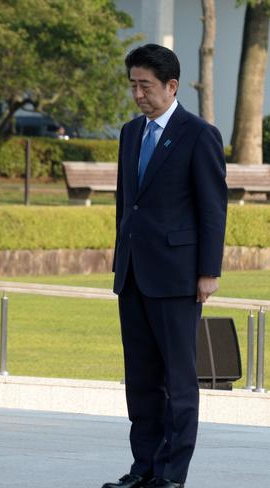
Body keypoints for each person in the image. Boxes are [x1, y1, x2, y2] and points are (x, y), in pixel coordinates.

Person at [104, 44, 227, 488]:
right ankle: (143, 469)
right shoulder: (130, 133)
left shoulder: (198, 134)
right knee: (140, 380)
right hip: (134, 273)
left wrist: (208, 271)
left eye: (147, 86)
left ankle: (171, 475)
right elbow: (126, 204)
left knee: (178, 382)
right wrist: (121, 256)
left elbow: (212, 208)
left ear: (172, 86)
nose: (138, 94)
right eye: (133, 85)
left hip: (177, 276)